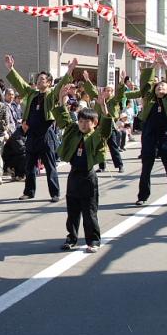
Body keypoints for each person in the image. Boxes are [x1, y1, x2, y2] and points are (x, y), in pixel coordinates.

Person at [5, 55, 78, 201]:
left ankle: (55, 193)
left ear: (49, 83)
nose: (39, 81)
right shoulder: (32, 94)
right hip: (31, 134)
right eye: (38, 79)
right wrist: (11, 68)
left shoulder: (51, 94)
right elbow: (21, 84)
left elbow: (60, 87)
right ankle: (29, 192)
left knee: (50, 166)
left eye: (42, 79)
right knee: (29, 166)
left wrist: (69, 71)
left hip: (46, 133)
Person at [54, 87, 112, 252]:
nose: (83, 124)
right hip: (73, 175)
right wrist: (60, 98)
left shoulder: (96, 135)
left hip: (88, 177)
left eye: (87, 121)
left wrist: (104, 107)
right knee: (72, 211)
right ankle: (71, 238)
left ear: (94, 123)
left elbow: (106, 130)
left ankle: (93, 241)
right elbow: (63, 118)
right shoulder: (74, 131)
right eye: (80, 121)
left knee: (89, 211)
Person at [127, 57, 167, 207]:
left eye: (163, 87)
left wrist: (165, 64)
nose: (160, 88)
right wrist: (153, 64)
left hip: (165, 137)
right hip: (149, 137)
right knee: (146, 168)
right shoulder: (149, 98)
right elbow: (145, 82)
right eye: (157, 87)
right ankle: (142, 196)